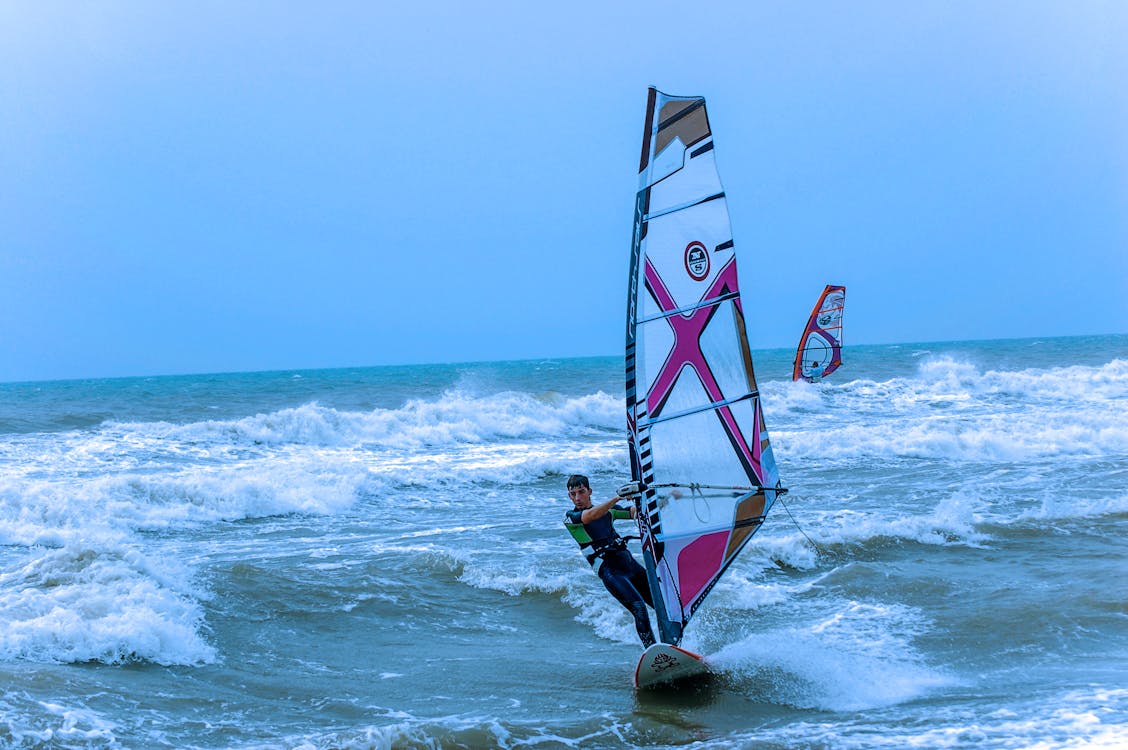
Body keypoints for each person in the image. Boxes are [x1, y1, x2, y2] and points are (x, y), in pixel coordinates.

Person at [562, 474, 656, 648]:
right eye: (573, 494)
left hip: (630, 565)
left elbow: (636, 512)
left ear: (589, 491)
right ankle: (654, 652)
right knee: (639, 608)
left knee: (662, 604)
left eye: (581, 492)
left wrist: (652, 497)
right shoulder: (571, 518)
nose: (577, 498)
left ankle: (676, 643)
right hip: (611, 572)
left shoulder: (610, 512)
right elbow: (591, 516)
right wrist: (619, 496)